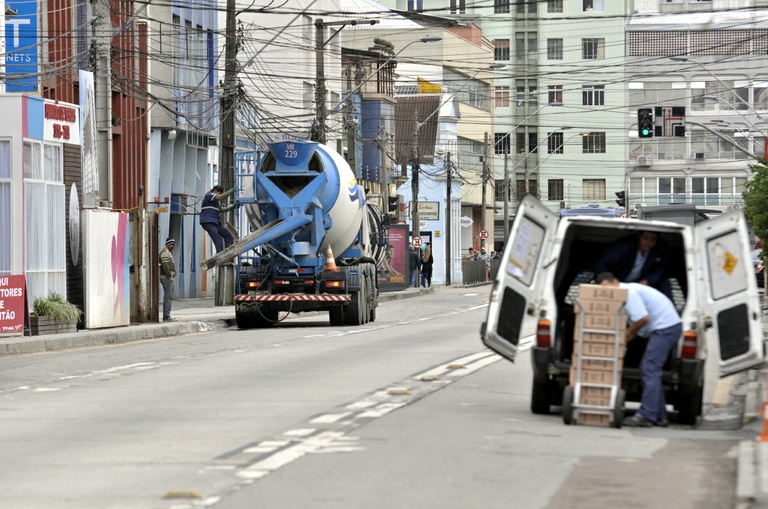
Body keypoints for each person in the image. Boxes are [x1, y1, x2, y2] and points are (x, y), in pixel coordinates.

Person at [596, 272, 682, 427]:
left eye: (608, 287)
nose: (609, 292)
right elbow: (639, 322)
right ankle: (660, 414)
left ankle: (646, 415)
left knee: (649, 368)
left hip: (665, 328)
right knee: (650, 370)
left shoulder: (627, 293)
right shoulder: (626, 293)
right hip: (665, 327)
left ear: (616, 281)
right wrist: (628, 337)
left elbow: (643, 318)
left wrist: (627, 334)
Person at [593, 230, 672, 299]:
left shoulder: (661, 250)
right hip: (618, 282)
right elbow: (602, 263)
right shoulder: (623, 247)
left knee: (665, 283)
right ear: (639, 236)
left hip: (642, 286)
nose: (649, 243)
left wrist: (647, 281)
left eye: (653, 240)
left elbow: (662, 269)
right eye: (646, 238)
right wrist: (609, 279)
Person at [200, 185, 236, 253]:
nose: (219, 194)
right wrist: (231, 191)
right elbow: (220, 197)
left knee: (227, 234)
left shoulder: (215, 202)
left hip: (215, 223)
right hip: (208, 222)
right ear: (215, 190)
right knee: (218, 240)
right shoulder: (209, 195)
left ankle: (229, 252)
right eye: (219, 193)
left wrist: (231, 207)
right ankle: (220, 257)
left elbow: (221, 209)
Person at [159, 237, 177, 322]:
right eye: (171, 244)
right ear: (167, 244)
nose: (172, 246)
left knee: (169, 297)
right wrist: (170, 275)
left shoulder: (167, 252)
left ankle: (167, 315)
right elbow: (165, 266)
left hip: (168, 278)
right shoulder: (164, 253)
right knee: (168, 297)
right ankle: (166, 316)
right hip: (166, 278)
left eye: (173, 244)